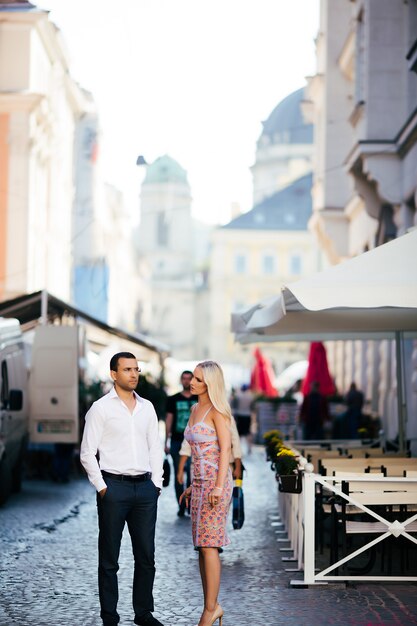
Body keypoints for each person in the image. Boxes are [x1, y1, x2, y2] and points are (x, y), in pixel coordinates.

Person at [80, 352, 164, 626]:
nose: (134, 374)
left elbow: (155, 447)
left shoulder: (147, 408)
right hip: (114, 488)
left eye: (136, 369)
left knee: (146, 557)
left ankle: (143, 613)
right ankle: (110, 617)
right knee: (109, 559)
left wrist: (157, 484)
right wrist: (103, 488)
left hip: (145, 490)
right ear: (113, 374)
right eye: (127, 369)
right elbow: (87, 453)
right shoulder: (100, 409)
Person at [179, 361, 232, 626]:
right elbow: (195, 453)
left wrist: (219, 487)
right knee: (201, 546)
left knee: (210, 545)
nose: (193, 382)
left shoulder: (217, 411)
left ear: (210, 383)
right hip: (199, 483)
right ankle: (211, 605)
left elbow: (226, 451)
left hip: (216, 482)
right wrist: (192, 485)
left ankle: (210, 610)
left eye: (199, 380)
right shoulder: (193, 408)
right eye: (193, 378)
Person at [165, 370, 198, 516]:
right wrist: (166, 441)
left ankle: (191, 504)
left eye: (188, 379)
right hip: (177, 440)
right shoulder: (173, 399)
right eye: (184, 378)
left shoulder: (199, 398)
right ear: (181, 380)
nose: (186, 381)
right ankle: (181, 505)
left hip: (195, 441)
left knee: (193, 474)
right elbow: (169, 419)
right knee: (178, 474)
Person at [177, 414, 243, 484]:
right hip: (199, 469)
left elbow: (235, 443)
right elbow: (186, 445)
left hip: (223, 467)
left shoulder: (226, 417)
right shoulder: (196, 414)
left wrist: (238, 467)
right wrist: (180, 470)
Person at [233, 383, 254, 455]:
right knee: (248, 432)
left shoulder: (238, 396)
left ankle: (238, 449)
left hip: (240, 415)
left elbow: (235, 407)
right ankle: (249, 448)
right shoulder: (250, 397)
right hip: (247, 415)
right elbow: (252, 407)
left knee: (239, 434)